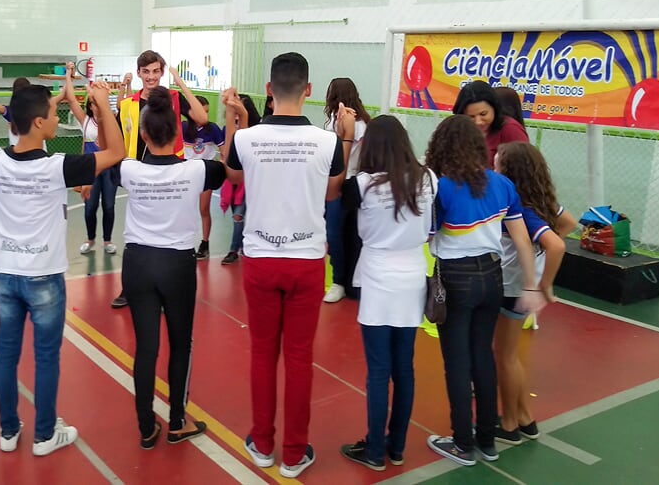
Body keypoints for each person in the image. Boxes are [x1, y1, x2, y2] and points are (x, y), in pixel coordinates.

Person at [0, 70, 125, 456]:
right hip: (44, 277)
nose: (58, 119)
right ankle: (45, 435)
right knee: (46, 358)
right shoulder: (56, 166)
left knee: (6, 355)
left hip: (7, 277)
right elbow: (117, 153)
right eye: (53, 113)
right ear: (39, 122)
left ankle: (8, 431)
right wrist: (105, 104)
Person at [222, 53, 352, 479]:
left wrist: (234, 122)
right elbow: (334, 193)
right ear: (309, 91)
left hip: (260, 259)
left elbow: (234, 177)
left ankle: (262, 444)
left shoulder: (247, 139)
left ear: (269, 90)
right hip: (306, 263)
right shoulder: (328, 142)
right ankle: (294, 453)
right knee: (298, 359)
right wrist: (347, 141)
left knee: (263, 353)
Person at [424, 115, 541, 466]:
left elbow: (428, 238)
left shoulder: (441, 187)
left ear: (441, 147)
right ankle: (487, 441)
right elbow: (522, 240)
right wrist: (532, 286)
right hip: (493, 278)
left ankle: (462, 443)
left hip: (455, 278)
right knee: (483, 358)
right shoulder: (503, 185)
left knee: (457, 363)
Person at [119, 86, 225, 449]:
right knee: (181, 344)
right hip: (177, 266)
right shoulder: (197, 171)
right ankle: (177, 421)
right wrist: (234, 117)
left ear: (145, 134)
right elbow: (229, 164)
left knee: (145, 348)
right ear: (178, 134)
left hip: (137, 264)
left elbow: (115, 150)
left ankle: (146, 427)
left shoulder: (129, 170)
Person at [338, 115, 436, 471]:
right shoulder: (428, 178)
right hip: (413, 276)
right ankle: (396, 447)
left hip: (379, 277)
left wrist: (347, 140)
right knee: (404, 369)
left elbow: (335, 193)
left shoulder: (362, 184)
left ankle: (375, 451)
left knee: (378, 370)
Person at [111, 50, 209, 308]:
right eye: (146, 72)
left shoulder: (174, 97)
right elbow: (120, 137)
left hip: (171, 172)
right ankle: (129, 287)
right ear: (139, 73)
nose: (151, 76)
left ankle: (169, 289)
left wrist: (181, 82)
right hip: (140, 175)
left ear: (162, 73)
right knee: (135, 234)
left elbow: (201, 118)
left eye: (156, 71)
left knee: (171, 234)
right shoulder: (128, 104)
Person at [493, 142, 574, 445]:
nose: (493, 167)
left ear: (509, 171)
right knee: (511, 356)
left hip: (513, 288)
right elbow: (569, 223)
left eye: (497, 163)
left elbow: (557, 244)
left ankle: (510, 423)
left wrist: (545, 284)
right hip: (519, 287)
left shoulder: (522, 209)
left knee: (505, 357)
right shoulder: (542, 200)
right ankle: (525, 417)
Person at [321, 78, 371, 303]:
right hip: (342, 182)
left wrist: (343, 134)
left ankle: (342, 281)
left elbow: (342, 156)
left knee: (340, 234)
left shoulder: (357, 123)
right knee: (337, 234)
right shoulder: (333, 119)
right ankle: (343, 280)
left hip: (347, 182)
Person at [64, 62, 118, 256]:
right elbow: (70, 99)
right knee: (90, 207)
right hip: (90, 171)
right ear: (89, 105)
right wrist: (68, 74)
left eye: (98, 102)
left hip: (109, 170)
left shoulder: (112, 118)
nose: (95, 106)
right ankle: (90, 239)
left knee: (109, 206)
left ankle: (108, 241)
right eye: (92, 103)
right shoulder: (86, 122)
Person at [220, 95, 261, 266]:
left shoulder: (254, 132)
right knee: (237, 215)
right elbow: (226, 153)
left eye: (239, 111)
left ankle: (233, 250)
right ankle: (244, 247)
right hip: (232, 182)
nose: (235, 114)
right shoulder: (228, 129)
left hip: (249, 182)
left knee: (239, 215)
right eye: (233, 111)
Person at [182, 95, 224, 260]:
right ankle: (185, 243)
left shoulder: (212, 129)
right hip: (186, 174)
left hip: (205, 173)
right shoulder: (183, 127)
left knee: (204, 209)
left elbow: (224, 152)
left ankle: (204, 243)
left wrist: (221, 164)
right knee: (185, 210)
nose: (204, 116)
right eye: (201, 111)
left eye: (207, 112)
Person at [452, 80, 528, 166]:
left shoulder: (510, 129)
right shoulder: (459, 131)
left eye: (483, 114)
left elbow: (523, 169)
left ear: (494, 108)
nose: (478, 122)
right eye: (471, 117)